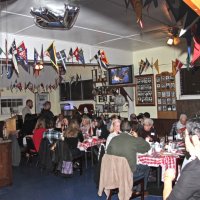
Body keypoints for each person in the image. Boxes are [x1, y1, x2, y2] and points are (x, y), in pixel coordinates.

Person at [107, 120, 150, 191]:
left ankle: (133, 187)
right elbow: (147, 147)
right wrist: (136, 137)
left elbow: (108, 153)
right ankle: (140, 191)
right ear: (131, 130)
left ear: (120, 129)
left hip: (115, 171)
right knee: (146, 167)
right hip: (128, 172)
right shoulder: (133, 140)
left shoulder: (113, 139)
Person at [163, 118, 200, 200]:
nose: (184, 138)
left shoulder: (193, 169)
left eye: (185, 135)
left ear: (193, 139)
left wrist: (168, 178)